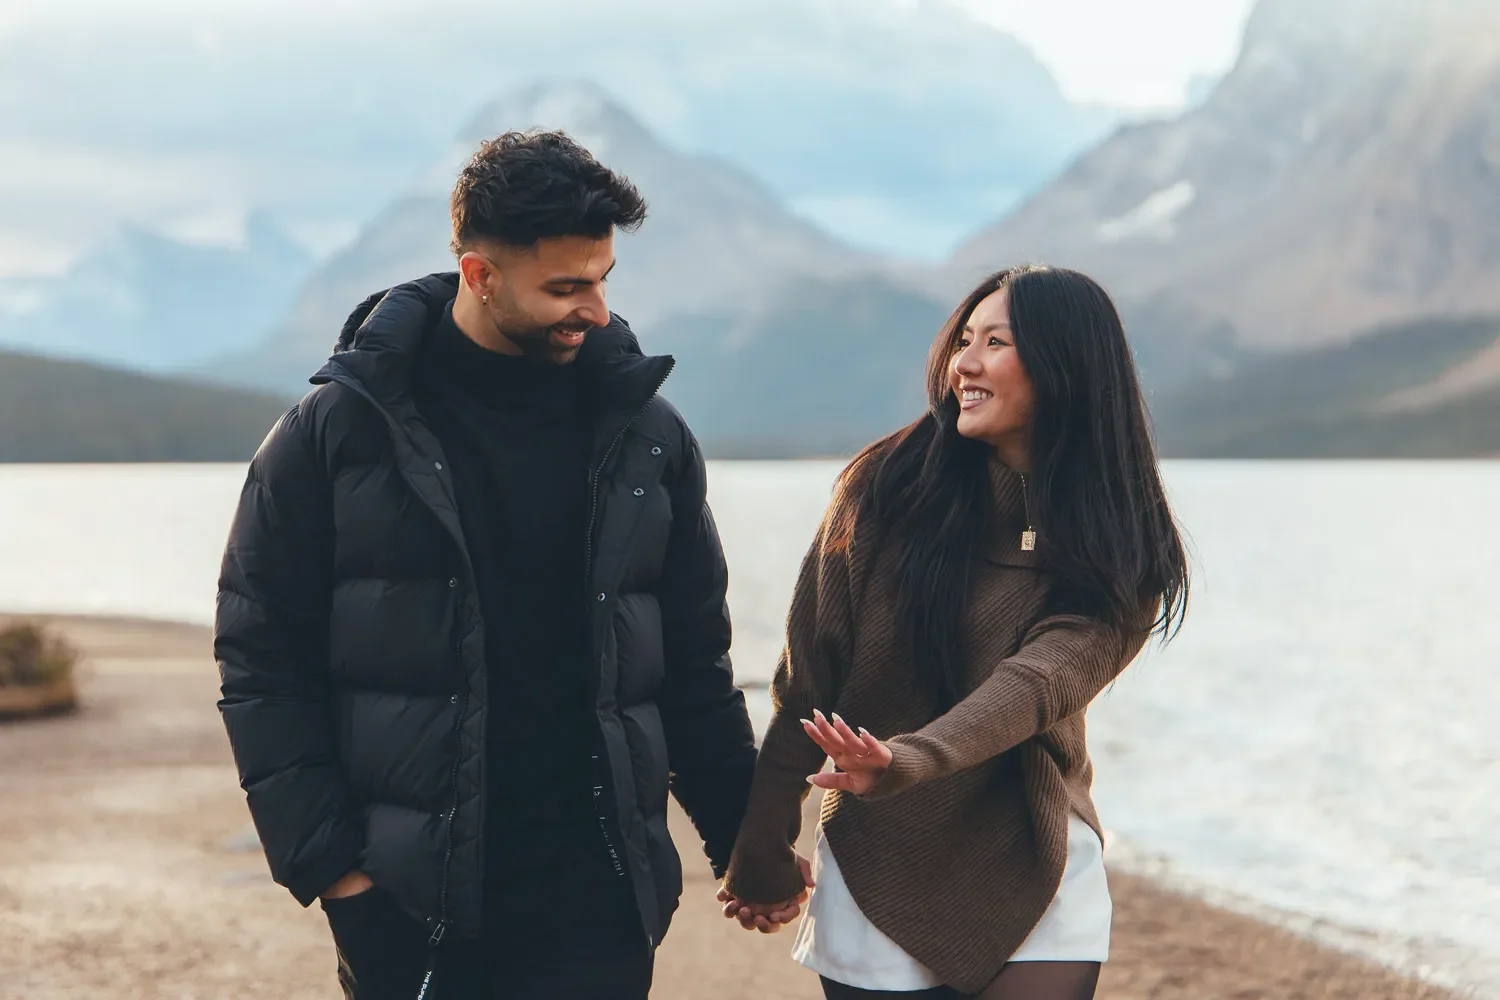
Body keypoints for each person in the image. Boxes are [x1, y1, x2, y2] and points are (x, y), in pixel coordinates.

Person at [215, 130, 767, 1000]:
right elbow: (260, 662)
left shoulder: (647, 437)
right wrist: (337, 877)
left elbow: (693, 660)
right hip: (412, 903)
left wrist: (745, 841)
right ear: (479, 275)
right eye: (565, 287)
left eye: (603, 279)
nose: (595, 308)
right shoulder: (335, 435)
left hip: (600, 903)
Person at [718, 265, 1190, 1000]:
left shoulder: (1121, 540)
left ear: (1066, 367)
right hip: (879, 860)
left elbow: (1037, 684)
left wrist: (908, 758)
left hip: (1035, 854)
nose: (962, 363)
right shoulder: (883, 490)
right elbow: (810, 680)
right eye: (963, 340)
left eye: (995, 343)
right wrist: (763, 842)